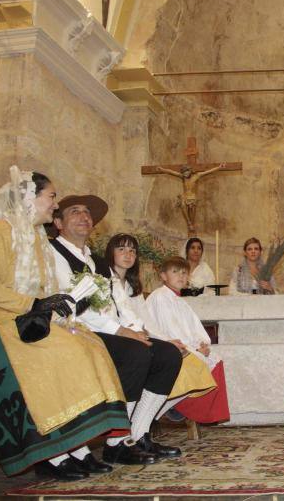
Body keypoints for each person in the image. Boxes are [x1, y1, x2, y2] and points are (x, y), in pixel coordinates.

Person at [0, 167, 127, 480]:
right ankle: (55, 454)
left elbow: (43, 292)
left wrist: (60, 304)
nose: (54, 203)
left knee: (87, 342)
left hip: (26, 320)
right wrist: (33, 304)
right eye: (51, 196)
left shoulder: (36, 238)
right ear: (29, 198)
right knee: (62, 350)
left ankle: (75, 447)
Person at [48, 196, 185, 464]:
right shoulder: (53, 253)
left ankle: (138, 433)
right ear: (58, 222)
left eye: (87, 213)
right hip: (75, 331)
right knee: (136, 353)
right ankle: (116, 442)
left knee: (167, 354)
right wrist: (122, 331)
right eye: (74, 212)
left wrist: (137, 330)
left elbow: (117, 303)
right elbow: (73, 305)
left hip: (109, 330)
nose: (84, 216)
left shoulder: (98, 261)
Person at [106, 237, 223, 422]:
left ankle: (147, 420)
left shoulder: (133, 286)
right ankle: (154, 416)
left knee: (205, 358)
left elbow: (147, 323)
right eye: (122, 250)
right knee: (184, 359)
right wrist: (170, 342)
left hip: (145, 339)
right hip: (121, 339)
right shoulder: (109, 282)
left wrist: (201, 342)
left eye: (132, 251)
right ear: (163, 275)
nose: (128, 255)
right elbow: (154, 326)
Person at [145, 256, 231, 424]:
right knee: (198, 360)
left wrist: (202, 343)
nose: (181, 276)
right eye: (175, 272)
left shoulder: (179, 300)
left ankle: (187, 408)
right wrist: (195, 349)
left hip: (184, 345)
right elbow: (169, 330)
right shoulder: (160, 297)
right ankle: (177, 406)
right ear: (163, 276)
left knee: (216, 359)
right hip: (167, 347)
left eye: (184, 272)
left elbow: (193, 326)